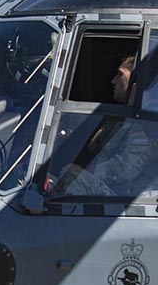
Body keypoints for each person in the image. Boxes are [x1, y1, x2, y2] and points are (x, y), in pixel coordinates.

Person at [54, 55, 156, 196]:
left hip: (124, 200)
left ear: (136, 82)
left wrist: (89, 171)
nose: (113, 81)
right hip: (110, 190)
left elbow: (126, 168)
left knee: (70, 176)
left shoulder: (147, 122)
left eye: (120, 75)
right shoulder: (123, 118)